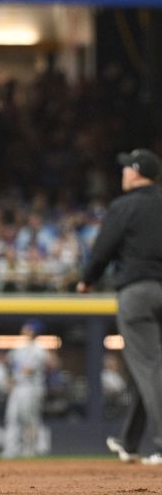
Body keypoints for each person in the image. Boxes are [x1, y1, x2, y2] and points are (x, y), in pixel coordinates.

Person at [77, 148, 162, 466]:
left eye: (128, 168)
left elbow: (102, 250)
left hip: (138, 292)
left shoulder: (124, 206)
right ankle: (129, 440)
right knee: (153, 367)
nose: (123, 172)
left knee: (150, 367)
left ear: (138, 173)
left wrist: (87, 280)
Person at [3, 318, 48, 458]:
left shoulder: (39, 350)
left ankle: (30, 450)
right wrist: (10, 379)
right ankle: (10, 450)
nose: (24, 330)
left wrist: (14, 376)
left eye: (28, 328)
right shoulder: (19, 348)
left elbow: (29, 369)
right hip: (18, 387)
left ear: (34, 331)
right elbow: (8, 363)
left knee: (30, 419)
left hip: (32, 388)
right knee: (11, 418)